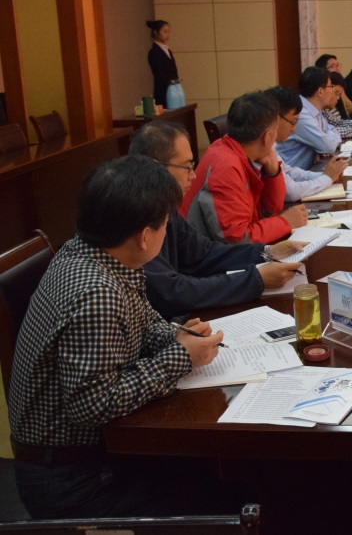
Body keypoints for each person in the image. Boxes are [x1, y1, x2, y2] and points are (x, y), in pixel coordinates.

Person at [9, 155, 226, 518]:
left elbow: (142, 322)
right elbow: (92, 405)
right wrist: (180, 357)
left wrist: (179, 337)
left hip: (87, 457)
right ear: (145, 236)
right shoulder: (97, 292)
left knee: (208, 469)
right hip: (74, 478)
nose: (167, 231)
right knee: (220, 491)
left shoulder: (90, 251)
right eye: (165, 224)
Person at [129, 121, 303, 318]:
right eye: (186, 166)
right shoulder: (134, 216)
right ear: (156, 167)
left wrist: (265, 252)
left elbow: (203, 253)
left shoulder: (164, 206)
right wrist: (256, 280)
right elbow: (172, 292)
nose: (193, 175)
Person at [181, 92, 307, 243]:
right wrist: (285, 222)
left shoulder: (234, 149)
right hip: (200, 252)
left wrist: (272, 172)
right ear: (267, 137)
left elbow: (269, 211)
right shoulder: (226, 166)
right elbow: (237, 238)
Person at [263, 85, 350, 200]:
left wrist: (327, 175)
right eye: (293, 122)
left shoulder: (271, 145)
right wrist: (327, 178)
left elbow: (288, 171)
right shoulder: (261, 147)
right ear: (276, 118)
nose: (294, 128)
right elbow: (291, 192)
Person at [276, 66, 344, 171]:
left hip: (306, 170)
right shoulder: (301, 114)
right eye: (331, 86)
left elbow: (331, 129)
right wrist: (329, 135)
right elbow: (328, 146)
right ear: (320, 91)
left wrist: (328, 134)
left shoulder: (315, 110)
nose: (332, 91)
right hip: (291, 173)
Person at [145, 19, 177, 107]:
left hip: (173, 90)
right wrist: (170, 84)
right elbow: (159, 74)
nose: (167, 35)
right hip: (162, 92)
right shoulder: (154, 52)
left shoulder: (168, 51)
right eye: (165, 32)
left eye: (168, 32)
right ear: (156, 33)